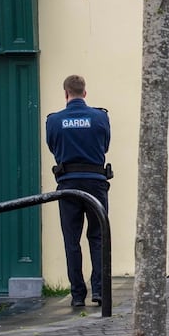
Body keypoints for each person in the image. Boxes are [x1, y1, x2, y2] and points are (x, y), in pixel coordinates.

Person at [46, 75, 112, 307]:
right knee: (98, 236)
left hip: (68, 185)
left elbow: (53, 146)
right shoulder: (100, 117)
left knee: (71, 241)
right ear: (85, 93)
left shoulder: (54, 121)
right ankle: (100, 291)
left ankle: (77, 296)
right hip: (96, 182)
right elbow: (105, 145)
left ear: (66, 94)